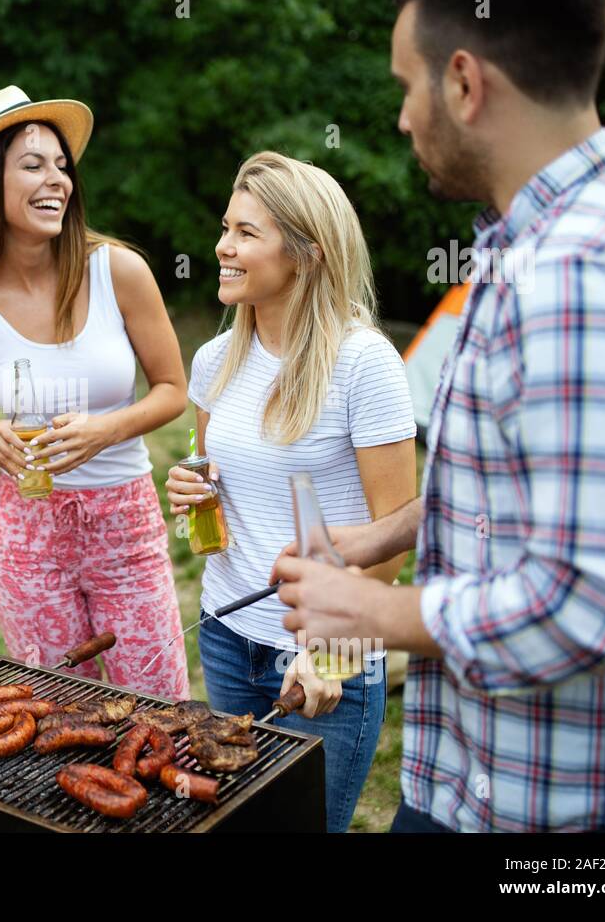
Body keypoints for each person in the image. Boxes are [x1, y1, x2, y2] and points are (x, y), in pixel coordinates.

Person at [273, 0, 605, 832]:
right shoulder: (547, 244)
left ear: (463, 82)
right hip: (473, 771)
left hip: (555, 813)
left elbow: (593, 603)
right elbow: (535, 488)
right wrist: (387, 535)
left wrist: (374, 612)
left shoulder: (577, 277)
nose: (402, 117)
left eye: (406, 86)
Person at [165, 151, 416, 832]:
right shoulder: (214, 360)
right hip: (226, 634)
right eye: (226, 228)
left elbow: (395, 536)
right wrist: (192, 489)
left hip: (325, 652)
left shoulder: (364, 364)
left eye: (246, 232)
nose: (223, 246)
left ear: (307, 253)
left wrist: (330, 646)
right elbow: (214, 489)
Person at [0, 86, 191, 699]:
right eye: (33, 165)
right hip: (27, 541)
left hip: (126, 528)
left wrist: (108, 429)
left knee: (159, 707)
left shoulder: (118, 270)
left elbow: (173, 389)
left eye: (61, 165)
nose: (58, 180)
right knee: (60, 714)